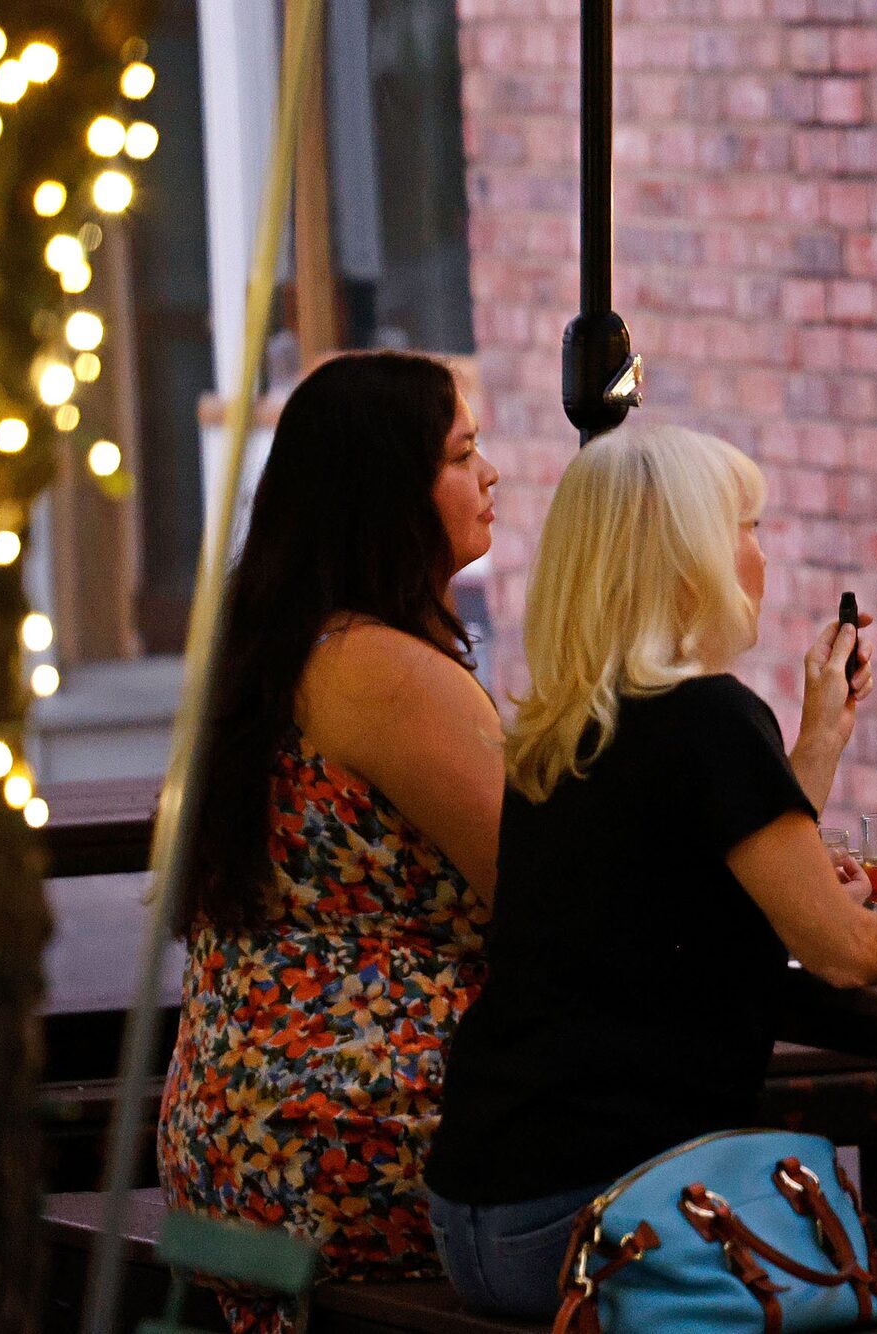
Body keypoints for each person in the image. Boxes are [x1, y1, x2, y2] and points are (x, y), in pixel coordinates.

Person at [425, 423, 877, 1318]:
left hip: (482, 1211)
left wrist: (817, 740)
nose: (761, 554)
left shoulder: (570, 722)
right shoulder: (707, 717)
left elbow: (722, 875)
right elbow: (842, 952)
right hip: (609, 1216)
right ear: (688, 557)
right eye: (745, 527)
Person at [158, 352, 509, 1315]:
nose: (491, 476)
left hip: (235, 1129)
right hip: (360, 1135)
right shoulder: (385, 671)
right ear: (384, 492)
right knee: (671, 1186)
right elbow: (548, 900)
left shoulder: (280, 647)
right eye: (461, 453)